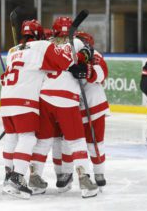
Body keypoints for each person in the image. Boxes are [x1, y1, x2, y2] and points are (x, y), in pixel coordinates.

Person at [0, 19, 78, 199]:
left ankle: (8, 176)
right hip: (25, 100)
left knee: (12, 137)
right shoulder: (42, 46)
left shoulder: (12, 50)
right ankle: (17, 178)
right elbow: (64, 62)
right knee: (28, 138)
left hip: (6, 98)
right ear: (40, 35)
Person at [30, 17, 99, 198]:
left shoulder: (45, 44)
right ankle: (84, 179)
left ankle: (34, 178)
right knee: (76, 141)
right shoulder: (76, 42)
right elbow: (88, 53)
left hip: (44, 97)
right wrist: (83, 62)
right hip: (66, 98)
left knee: (43, 140)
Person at [55, 31, 109, 191]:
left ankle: (99, 172)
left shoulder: (95, 55)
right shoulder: (64, 55)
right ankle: (67, 172)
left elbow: (103, 73)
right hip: (71, 106)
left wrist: (87, 70)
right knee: (68, 142)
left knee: (95, 142)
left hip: (93, 106)